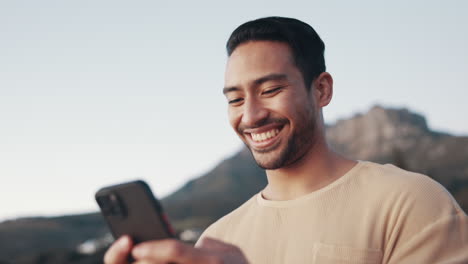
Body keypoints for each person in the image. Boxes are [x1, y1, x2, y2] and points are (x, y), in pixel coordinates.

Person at [104, 16, 468, 264]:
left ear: (321, 89)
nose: (250, 115)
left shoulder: (411, 203)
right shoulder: (215, 241)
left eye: (271, 89)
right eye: (234, 99)